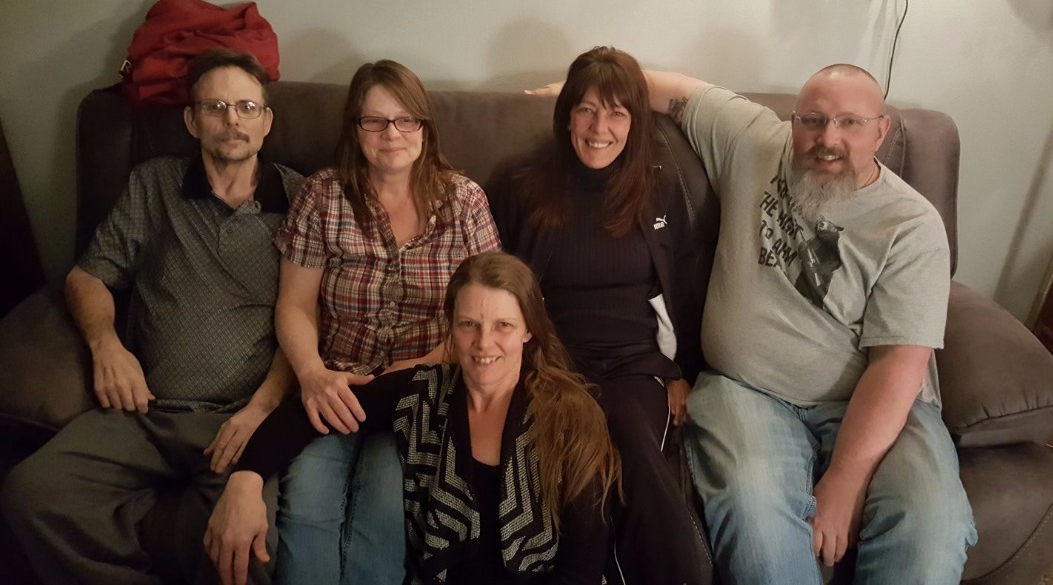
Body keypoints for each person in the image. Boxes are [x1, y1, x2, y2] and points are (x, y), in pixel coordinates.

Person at [640, 64, 978, 582]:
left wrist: (845, 481)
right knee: (757, 526)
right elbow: (674, 92)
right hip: (746, 391)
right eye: (813, 121)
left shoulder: (911, 226)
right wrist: (584, 89)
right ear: (793, 121)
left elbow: (899, 365)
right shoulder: (752, 140)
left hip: (874, 402)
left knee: (932, 527)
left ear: (881, 131)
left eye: (850, 123)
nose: (828, 139)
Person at [0, 48, 303, 584]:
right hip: (143, 411)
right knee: (32, 493)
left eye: (247, 107)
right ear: (191, 120)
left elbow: (308, 320)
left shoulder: (303, 199)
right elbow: (87, 276)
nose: (232, 120)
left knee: (246, 551)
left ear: (266, 120)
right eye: (215, 107)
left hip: (237, 422)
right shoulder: (153, 184)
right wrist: (106, 347)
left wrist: (262, 410)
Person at [205, 251, 619, 585]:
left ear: (529, 330)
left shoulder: (570, 417)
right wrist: (246, 480)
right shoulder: (424, 393)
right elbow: (312, 410)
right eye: (469, 324)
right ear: (450, 328)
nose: (483, 343)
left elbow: (582, 569)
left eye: (503, 326)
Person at [272, 59, 500, 584]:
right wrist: (311, 374)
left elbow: (488, 312)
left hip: (421, 394)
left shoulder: (464, 202)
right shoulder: (322, 196)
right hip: (336, 386)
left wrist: (423, 365)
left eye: (405, 119)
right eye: (374, 121)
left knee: (385, 506)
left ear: (425, 126)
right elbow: (294, 304)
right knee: (306, 500)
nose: (391, 134)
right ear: (355, 129)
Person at [496, 46, 712, 584]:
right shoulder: (522, 185)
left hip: (636, 363)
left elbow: (685, 288)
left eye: (617, 113)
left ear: (635, 123)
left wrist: (682, 371)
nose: (600, 128)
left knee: (632, 437)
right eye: (587, 110)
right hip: (553, 364)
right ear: (567, 115)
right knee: (591, 452)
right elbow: (499, 288)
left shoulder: (659, 189)